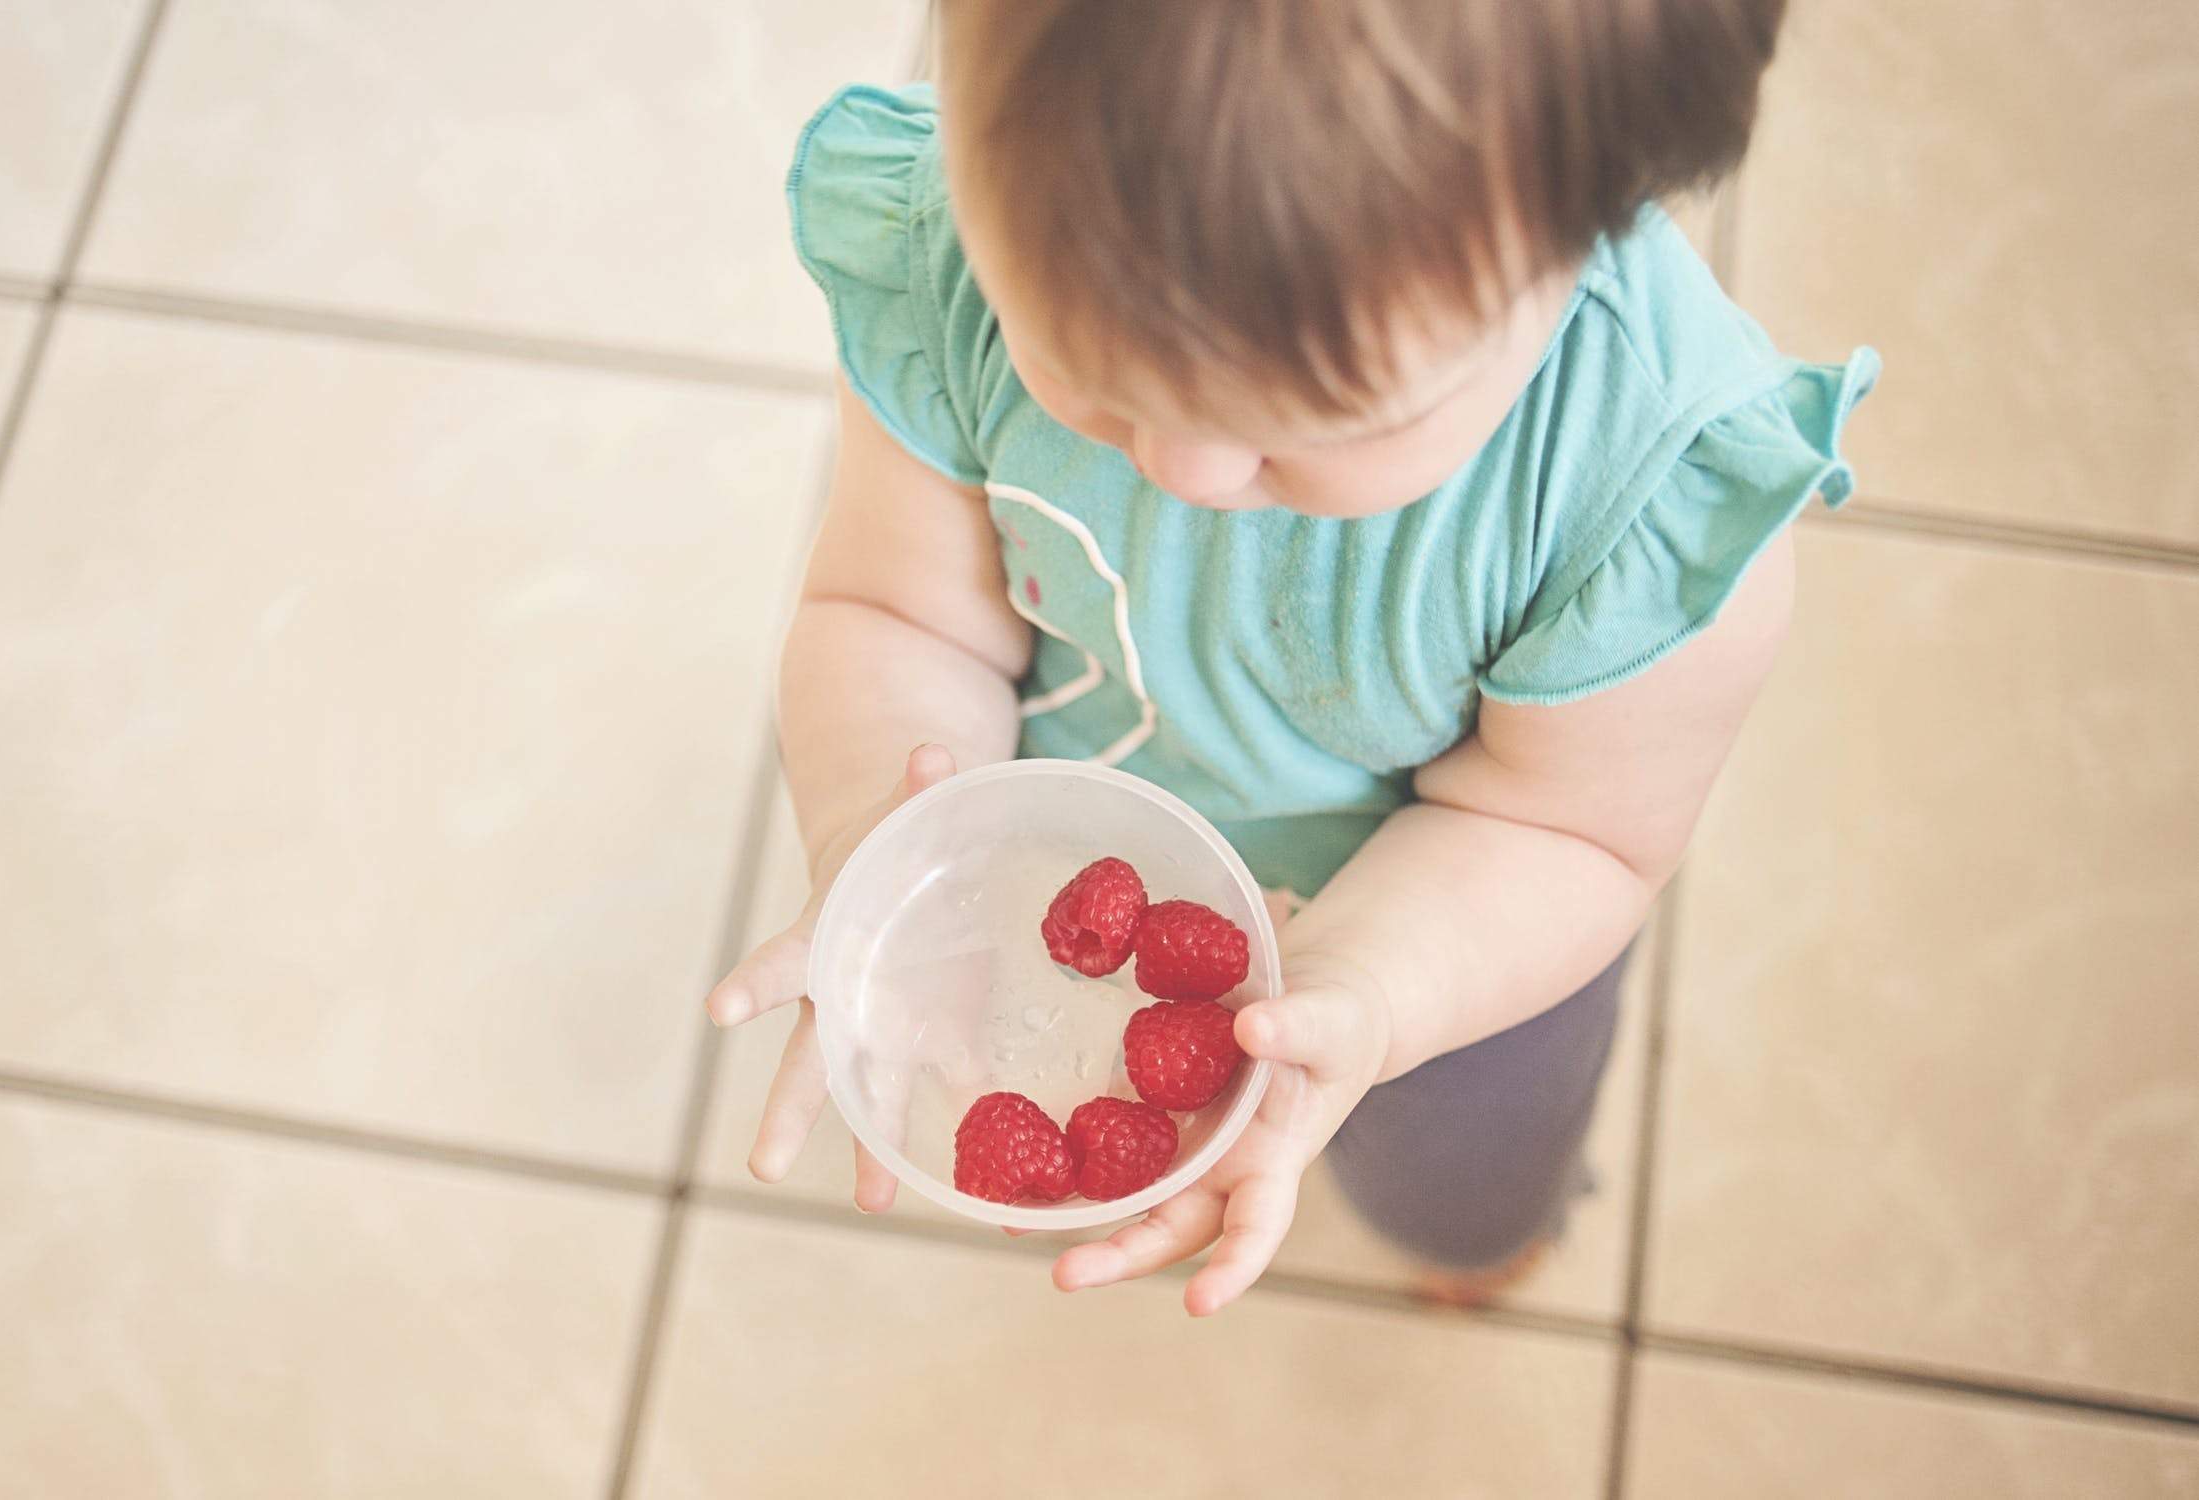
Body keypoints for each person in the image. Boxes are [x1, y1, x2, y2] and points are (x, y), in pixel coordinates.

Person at [706, 0, 1876, 1316]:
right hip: (1098, 847)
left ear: (1593, 219)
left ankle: (1478, 1237)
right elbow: (901, 615)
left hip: (1456, 934)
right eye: (1089, 367)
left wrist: (1370, 994)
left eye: (1311, 424)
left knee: (1458, 1171)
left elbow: (1573, 832)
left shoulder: (1642, 491)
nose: (1184, 468)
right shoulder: (963, 254)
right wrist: (881, 843)